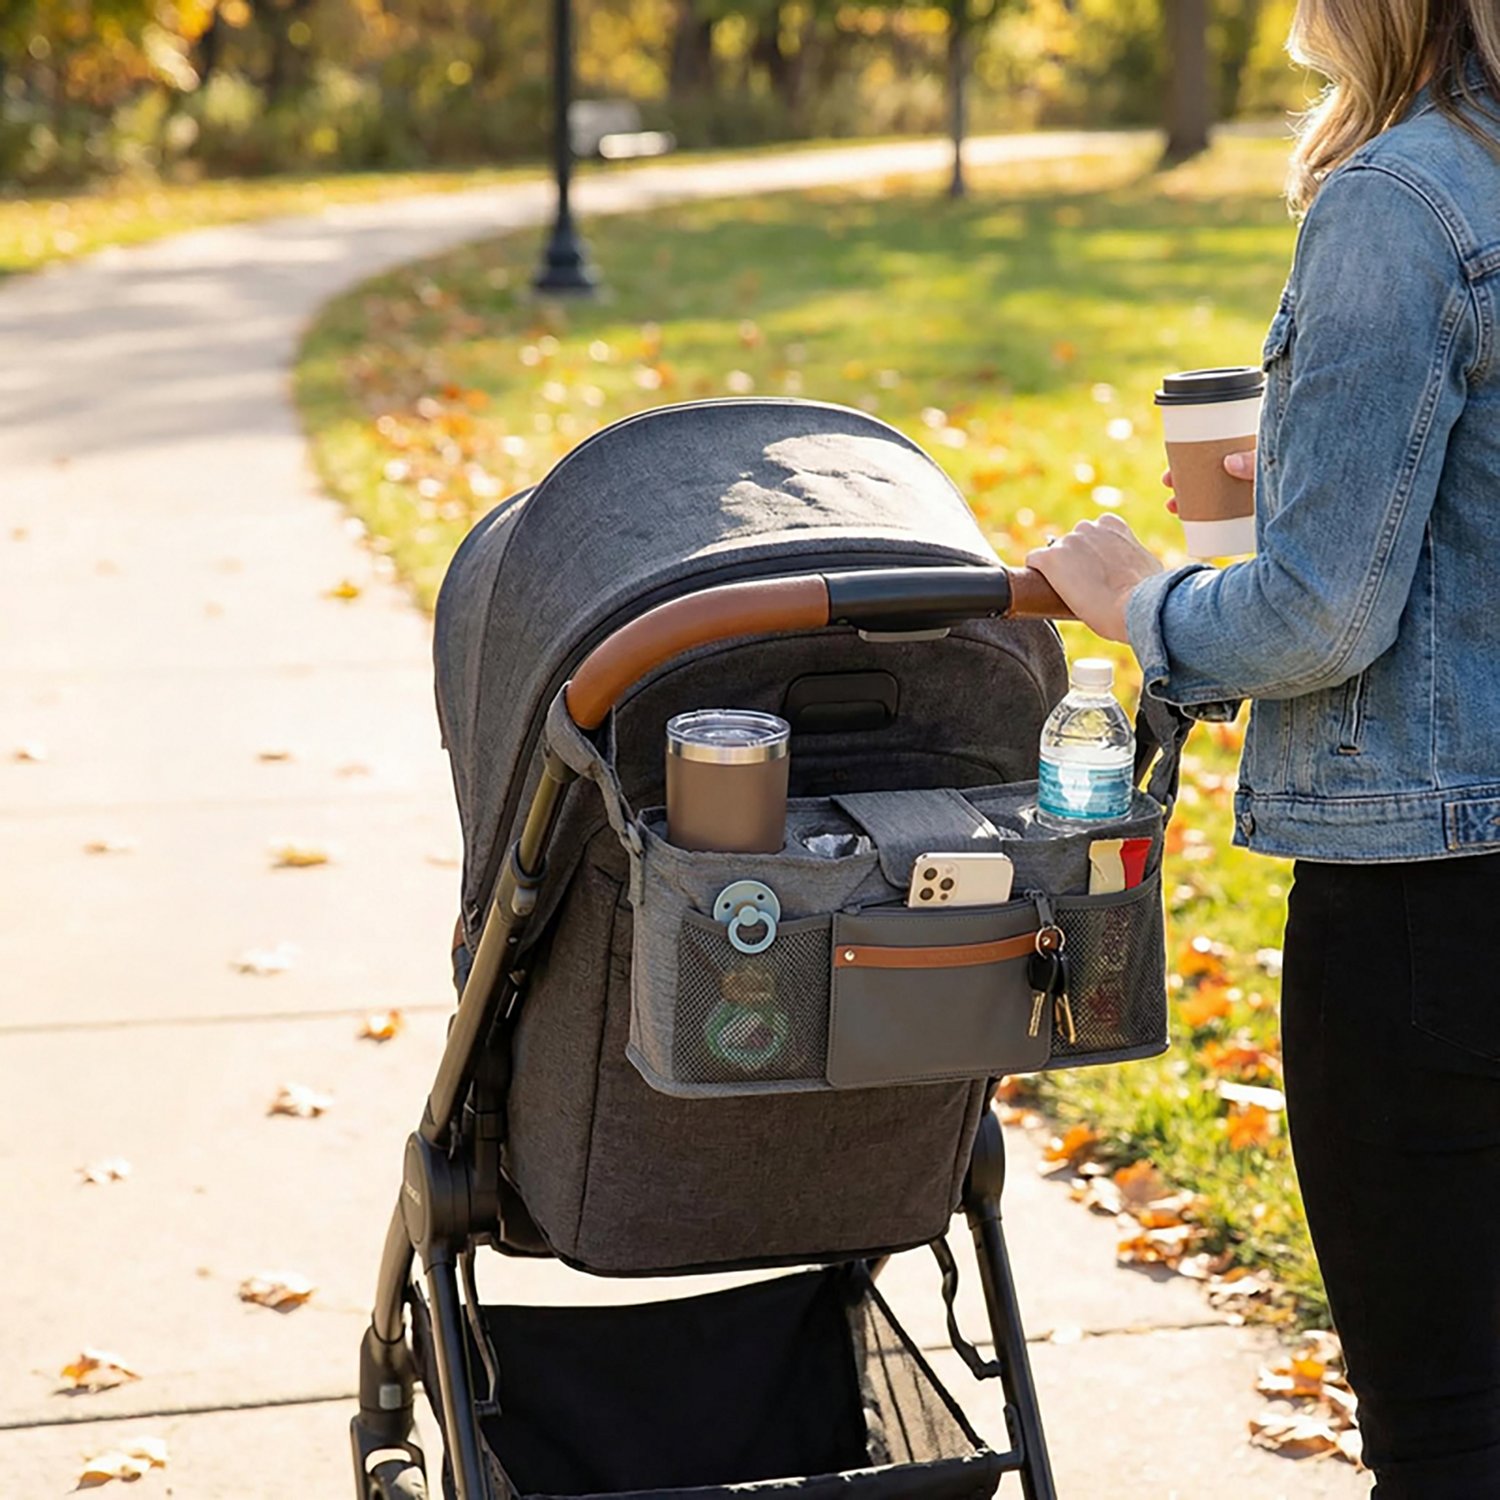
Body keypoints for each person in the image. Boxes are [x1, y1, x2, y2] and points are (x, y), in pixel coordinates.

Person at [1026, 4, 1500, 1496]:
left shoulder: (1410, 199)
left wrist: (1139, 601)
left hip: (1437, 908)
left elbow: (1318, 617)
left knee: (1452, 1427)